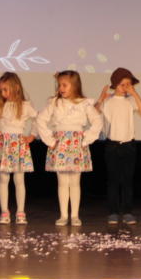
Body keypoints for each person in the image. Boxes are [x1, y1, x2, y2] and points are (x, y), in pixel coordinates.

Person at [36, 70, 103, 226]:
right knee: (62, 182)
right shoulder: (55, 102)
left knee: (75, 182)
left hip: (76, 144)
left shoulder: (84, 103)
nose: (61, 88)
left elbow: (97, 121)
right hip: (60, 144)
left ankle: (75, 215)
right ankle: (63, 215)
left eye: (64, 85)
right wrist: (50, 140)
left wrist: (86, 140)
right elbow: (40, 119)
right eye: (59, 85)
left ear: (75, 86)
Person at [0, 72, 37, 225]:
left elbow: (37, 118)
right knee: (3, 179)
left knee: (19, 179)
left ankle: (20, 212)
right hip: (4, 144)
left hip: (19, 144)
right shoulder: (0, 105)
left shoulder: (25, 106)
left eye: (5, 89)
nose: (3, 93)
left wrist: (32, 135)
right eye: (1, 91)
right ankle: (4, 211)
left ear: (16, 87)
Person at [96, 67, 141, 224]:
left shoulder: (131, 100)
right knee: (113, 180)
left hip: (128, 145)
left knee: (127, 180)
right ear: (115, 84)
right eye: (122, 84)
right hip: (112, 145)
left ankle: (127, 212)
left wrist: (135, 93)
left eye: (128, 84)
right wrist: (101, 98)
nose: (126, 87)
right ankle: (113, 212)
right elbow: (94, 112)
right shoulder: (108, 101)